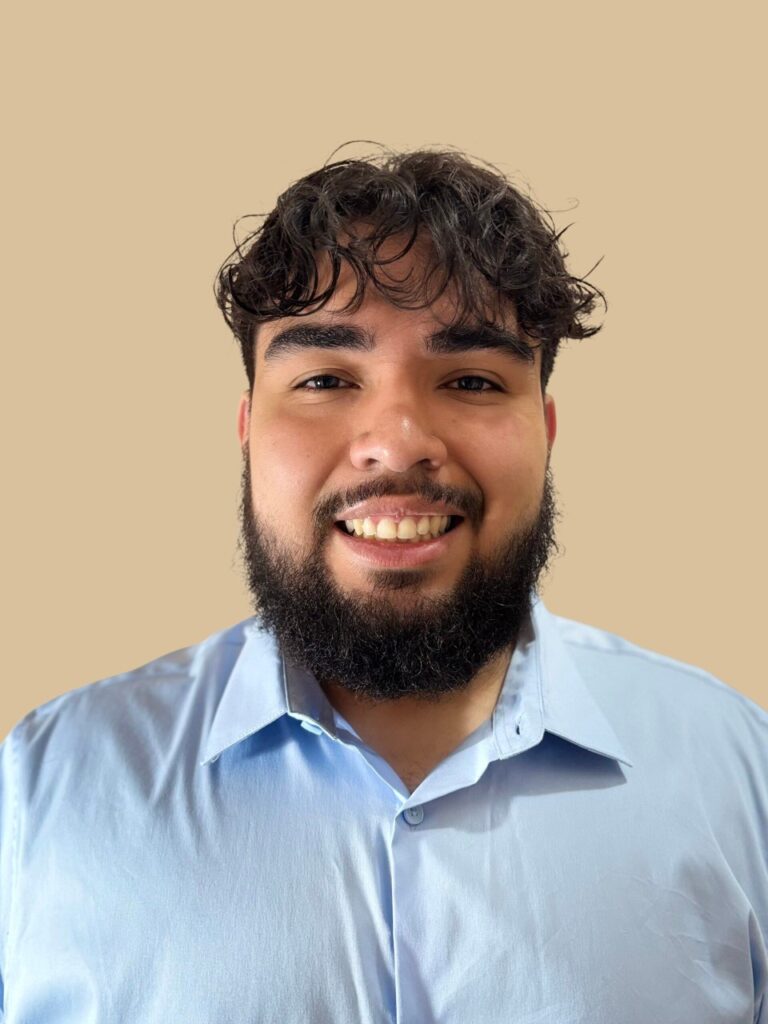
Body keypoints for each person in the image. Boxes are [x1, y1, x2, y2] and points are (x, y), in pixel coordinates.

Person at [0, 147, 765, 1024]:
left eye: (472, 381)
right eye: (325, 379)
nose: (398, 441)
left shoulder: (740, 775)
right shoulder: (41, 791)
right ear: (248, 430)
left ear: (546, 431)